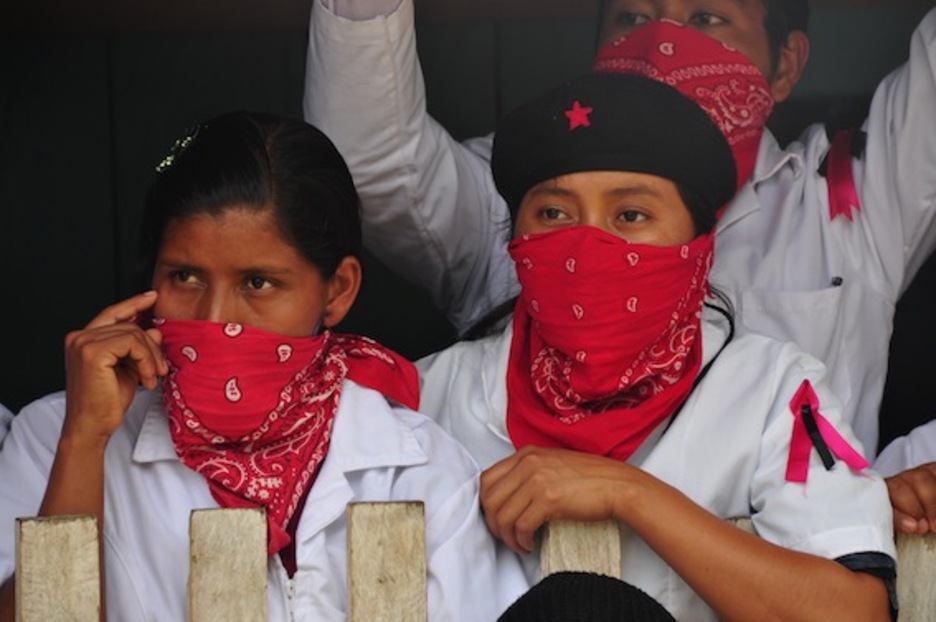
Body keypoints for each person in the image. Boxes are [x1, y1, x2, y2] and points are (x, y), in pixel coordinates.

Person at [304, 0, 936, 457]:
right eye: (632, 20)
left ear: (786, 62)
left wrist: (901, 474)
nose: (661, 44)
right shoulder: (525, 190)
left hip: (783, 573)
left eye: (707, 20)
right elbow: (371, 161)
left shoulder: (850, 196)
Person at [416, 32, 897, 621]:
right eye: (554, 213)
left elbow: (853, 612)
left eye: (632, 214)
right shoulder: (430, 395)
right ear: (515, 239)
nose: (590, 240)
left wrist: (628, 493)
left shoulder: (772, 389)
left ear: (699, 246)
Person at [0, 111, 518, 621]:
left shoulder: (418, 468)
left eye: (258, 283)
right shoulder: (53, 438)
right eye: (185, 276)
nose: (216, 317)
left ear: (337, 292)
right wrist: (84, 442)